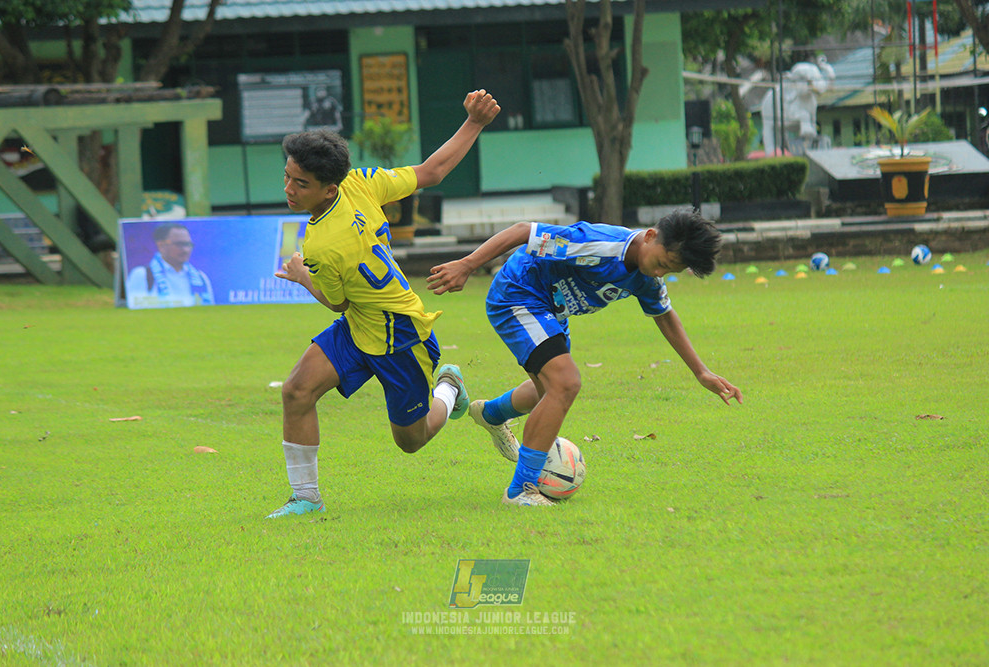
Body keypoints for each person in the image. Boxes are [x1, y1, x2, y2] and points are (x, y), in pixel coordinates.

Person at [267, 89, 501, 518]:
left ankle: (449, 389)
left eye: (300, 184)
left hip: (401, 334)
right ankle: (306, 498)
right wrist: (475, 123)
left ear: (328, 188)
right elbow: (432, 171)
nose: (289, 189)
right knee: (296, 391)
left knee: (410, 441)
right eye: (287, 177)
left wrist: (303, 277)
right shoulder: (362, 182)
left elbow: (332, 302)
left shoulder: (323, 242)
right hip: (361, 325)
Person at [426, 210, 744, 507]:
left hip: (550, 310)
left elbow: (664, 314)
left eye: (669, 271)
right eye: (661, 262)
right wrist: (467, 264)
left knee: (548, 390)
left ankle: (492, 414)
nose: (658, 273)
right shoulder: (600, 244)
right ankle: (521, 490)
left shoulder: (647, 275)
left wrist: (701, 372)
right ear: (650, 236)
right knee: (565, 383)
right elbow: (524, 232)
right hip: (518, 294)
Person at [125, 222, 214, 308]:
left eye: (188, 244)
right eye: (179, 244)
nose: (185, 250)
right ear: (161, 245)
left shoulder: (201, 277)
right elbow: (136, 309)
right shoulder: (142, 274)